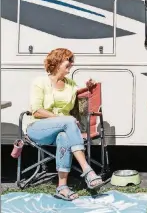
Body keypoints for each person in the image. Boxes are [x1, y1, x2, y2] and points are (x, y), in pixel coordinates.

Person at [26, 48, 105, 201]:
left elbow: (82, 97)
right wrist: (60, 119)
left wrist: (90, 87)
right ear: (56, 62)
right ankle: (87, 170)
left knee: (64, 136)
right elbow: (36, 111)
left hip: (61, 130)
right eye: (68, 60)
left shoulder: (70, 84)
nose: (71, 63)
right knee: (68, 121)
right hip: (38, 128)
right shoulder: (40, 82)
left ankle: (62, 187)